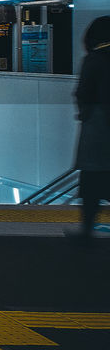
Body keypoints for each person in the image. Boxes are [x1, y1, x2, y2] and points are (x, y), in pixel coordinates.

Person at [75, 15, 110, 238]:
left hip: (99, 132)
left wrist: (85, 113)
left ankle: (86, 232)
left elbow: (83, 94)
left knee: (92, 185)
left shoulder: (95, 59)